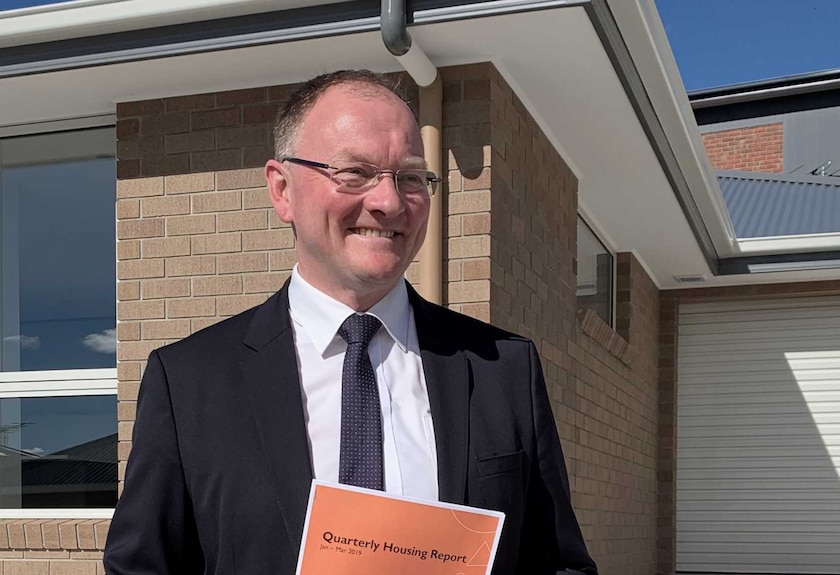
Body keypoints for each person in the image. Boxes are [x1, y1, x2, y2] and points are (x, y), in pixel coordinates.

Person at [103, 70, 597, 575]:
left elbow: (559, 563)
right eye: (355, 173)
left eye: (409, 177)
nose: (388, 201)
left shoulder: (503, 368)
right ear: (282, 189)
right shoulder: (189, 380)